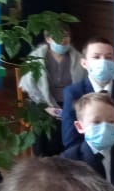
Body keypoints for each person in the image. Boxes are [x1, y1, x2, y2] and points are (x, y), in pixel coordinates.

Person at [61, 36, 114, 153]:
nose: (103, 62)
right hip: (84, 157)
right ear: (84, 63)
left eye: (109, 57)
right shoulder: (73, 93)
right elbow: (70, 138)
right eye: (96, 57)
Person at [20, 24, 86, 156]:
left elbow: (83, 86)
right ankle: (43, 160)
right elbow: (31, 89)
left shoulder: (78, 59)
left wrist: (71, 106)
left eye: (66, 36)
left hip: (70, 103)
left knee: (74, 119)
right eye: (58, 36)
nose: (63, 40)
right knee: (42, 122)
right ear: (48, 39)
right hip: (42, 102)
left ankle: (67, 158)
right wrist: (46, 107)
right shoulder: (36, 58)